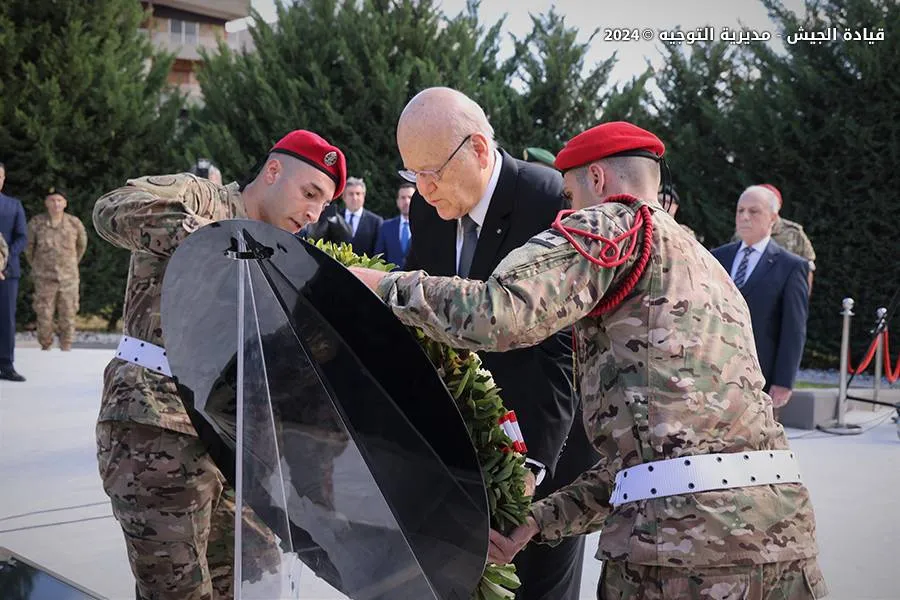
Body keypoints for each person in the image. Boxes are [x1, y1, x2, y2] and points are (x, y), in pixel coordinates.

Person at [352, 121, 827, 599]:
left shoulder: (614, 223)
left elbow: (500, 312)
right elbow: (652, 463)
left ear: (597, 179)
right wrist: (540, 520)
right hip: (780, 540)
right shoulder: (708, 268)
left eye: (569, 194)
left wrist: (383, 287)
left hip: (683, 558)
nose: (568, 209)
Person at [92, 130, 347, 600]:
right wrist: (213, 242)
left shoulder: (284, 258)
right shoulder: (200, 198)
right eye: (309, 193)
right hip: (158, 425)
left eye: (325, 205)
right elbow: (112, 208)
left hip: (238, 449)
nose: (314, 213)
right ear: (273, 171)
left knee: (257, 584)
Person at [397, 87, 595, 600]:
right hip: (460, 455)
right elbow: (425, 321)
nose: (423, 189)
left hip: (547, 452)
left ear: (479, 150)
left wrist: (529, 467)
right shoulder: (428, 210)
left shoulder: (550, 200)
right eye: (412, 174)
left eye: (432, 172)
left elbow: (563, 347)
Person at [712, 185, 809, 408]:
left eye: (754, 211)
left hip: (760, 377)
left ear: (773, 218)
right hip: (716, 372)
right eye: (740, 210)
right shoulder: (717, 257)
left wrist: (784, 381)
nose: (744, 217)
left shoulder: (791, 266)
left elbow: (793, 329)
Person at [24, 188, 88, 351]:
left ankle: (66, 345)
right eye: (52, 200)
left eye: (59, 200)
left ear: (65, 203)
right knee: (44, 313)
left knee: (69, 313)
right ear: (46, 203)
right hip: (44, 278)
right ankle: (45, 345)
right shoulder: (36, 223)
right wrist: (38, 266)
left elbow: (81, 246)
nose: (56, 204)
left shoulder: (74, 223)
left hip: (68, 278)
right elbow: (29, 248)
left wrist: (71, 263)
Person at [0, 161, 27, 381]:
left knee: (6, 319)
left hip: (7, 273)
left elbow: (21, 237)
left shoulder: (13, 205)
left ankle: (6, 365)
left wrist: (4, 261)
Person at [373, 182, 415, 268]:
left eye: (410, 197)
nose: (406, 201)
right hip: (391, 276)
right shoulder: (386, 227)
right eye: (403, 198)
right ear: (397, 201)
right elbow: (379, 259)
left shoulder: (425, 227)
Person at [342, 177, 383, 255]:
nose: (354, 198)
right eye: (351, 194)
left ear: (363, 196)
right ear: (344, 197)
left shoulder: (376, 222)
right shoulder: (335, 218)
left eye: (358, 194)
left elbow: (378, 251)